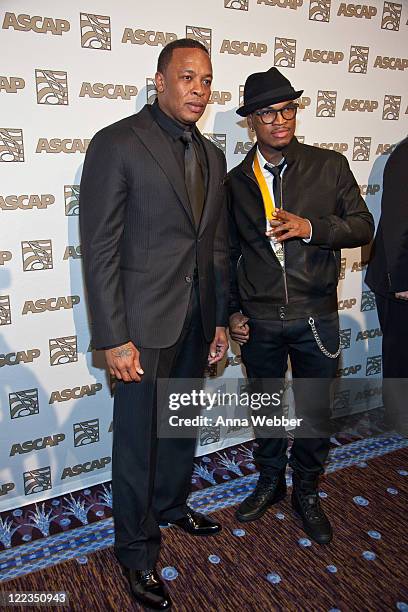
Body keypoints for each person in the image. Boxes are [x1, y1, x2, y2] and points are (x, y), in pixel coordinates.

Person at [79, 39, 229, 610]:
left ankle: (170, 505)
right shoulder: (117, 143)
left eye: (207, 80)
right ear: (159, 82)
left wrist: (217, 321)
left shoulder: (213, 157)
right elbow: (100, 249)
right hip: (139, 326)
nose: (199, 90)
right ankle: (137, 553)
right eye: (187, 78)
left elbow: (212, 246)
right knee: (138, 444)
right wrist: (113, 335)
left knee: (181, 426)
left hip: (195, 321)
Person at [226, 67, 374, 545]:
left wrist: (311, 227)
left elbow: (362, 226)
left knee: (316, 410)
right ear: (252, 120)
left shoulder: (328, 166)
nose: (280, 119)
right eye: (268, 112)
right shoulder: (235, 182)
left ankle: (306, 490)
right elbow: (224, 255)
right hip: (261, 320)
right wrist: (231, 312)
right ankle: (270, 481)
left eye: (287, 109)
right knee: (266, 408)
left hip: (317, 316)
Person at [365, 136, 408, 435]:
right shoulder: (406, 154)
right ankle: (400, 419)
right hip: (400, 277)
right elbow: (397, 219)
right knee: (400, 354)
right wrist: (402, 280)